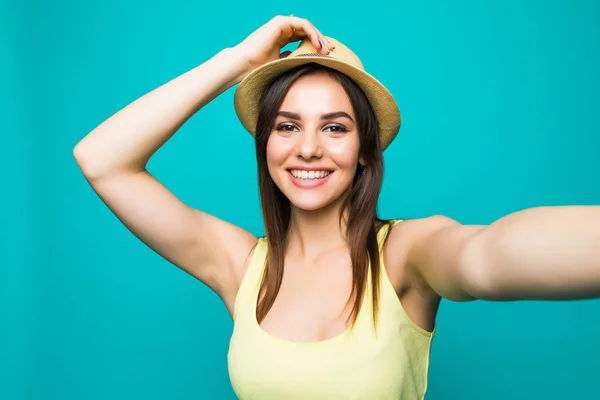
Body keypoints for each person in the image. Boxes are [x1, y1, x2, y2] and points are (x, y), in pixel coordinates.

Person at [73, 15, 600, 400]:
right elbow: (101, 159)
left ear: (365, 148)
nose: (307, 148)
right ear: (266, 145)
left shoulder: (406, 255)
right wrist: (238, 61)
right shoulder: (239, 266)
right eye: (286, 125)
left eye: (334, 127)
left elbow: (489, 256)